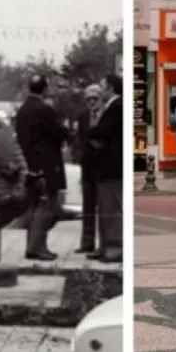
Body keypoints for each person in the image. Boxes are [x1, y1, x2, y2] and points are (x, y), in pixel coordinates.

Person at [14, 75, 70, 261]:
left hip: (29, 165)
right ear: (45, 89)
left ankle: (32, 245)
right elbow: (58, 132)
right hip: (46, 165)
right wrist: (68, 132)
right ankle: (37, 247)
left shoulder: (22, 110)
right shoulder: (43, 110)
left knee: (34, 206)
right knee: (45, 206)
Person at [86, 73, 123, 263]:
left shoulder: (117, 107)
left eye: (103, 86)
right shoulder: (110, 107)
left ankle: (115, 246)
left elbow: (103, 131)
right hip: (103, 167)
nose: (100, 91)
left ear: (111, 88)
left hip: (112, 166)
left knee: (112, 208)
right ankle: (105, 245)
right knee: (104, 208)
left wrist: (89, 133)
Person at [73, 83, 104, 255]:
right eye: (88, 100)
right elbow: (80, 138)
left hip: (102, 166)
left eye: (95, 99)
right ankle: (87, 242)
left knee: (104, 208)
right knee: (88, 206)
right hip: (88, 166)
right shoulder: (83, 117)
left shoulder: (106, 116)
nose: (92, 102)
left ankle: (103, 243)